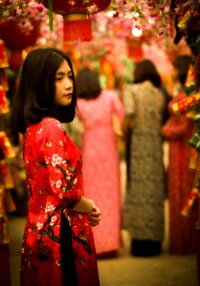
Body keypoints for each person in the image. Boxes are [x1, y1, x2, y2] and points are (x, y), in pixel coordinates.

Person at [10, 48, 101, 286]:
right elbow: (65, 192)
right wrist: (88, 206)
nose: (69, 84)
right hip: (62, 233)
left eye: (70, 77)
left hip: (39, 231)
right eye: (59, 79)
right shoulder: (52, 127)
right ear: (39, 83)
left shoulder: (33, 126)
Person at [76, 67, 124, 257]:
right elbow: (121, 115)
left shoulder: (78, 103)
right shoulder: (110, 96)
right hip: (109, 151)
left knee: (91, 195)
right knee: (111, 196)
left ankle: (93, 243)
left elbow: (73, 126)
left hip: (88, 152)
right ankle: (111, 243)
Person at [122, 59, 167, 257]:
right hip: (155, 146)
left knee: (139, 189)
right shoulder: (160, 94)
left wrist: (124, 129)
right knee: (154, 190)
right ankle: (154, 242)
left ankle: (139, 243)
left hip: (138, 144)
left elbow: (129, 113)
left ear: (138, 73)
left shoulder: (131, 90)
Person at [162, 54, 197, 255]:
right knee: (177, 192)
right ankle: (181, 241)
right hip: (178, 150)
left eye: (174, 68)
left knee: (183, 191)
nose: (172, 71)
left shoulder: (187, 97)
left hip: (185, 149)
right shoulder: (183, 92)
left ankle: (185, 242)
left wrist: (165, 130)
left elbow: (183, 127)